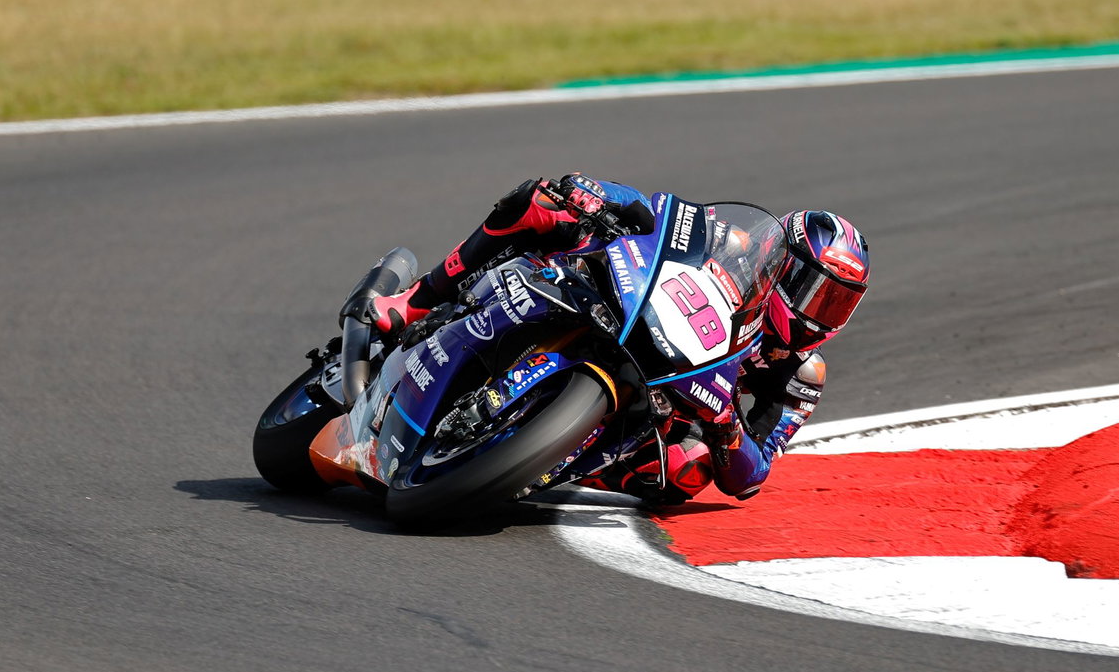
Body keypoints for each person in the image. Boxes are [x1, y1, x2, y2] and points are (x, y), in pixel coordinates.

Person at [360, 173, 870, 504]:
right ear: (781, 261)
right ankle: (415, 302)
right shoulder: (735, 246)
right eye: (815, 290)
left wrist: (726, 431)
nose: (819, 312)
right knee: (538, 203)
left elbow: (751, 476)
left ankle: (538, 459)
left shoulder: (803, 373)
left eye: (837, 301)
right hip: (623, 303)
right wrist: (596, 194)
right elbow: (661, 216)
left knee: (686, 472)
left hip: (668, 404)